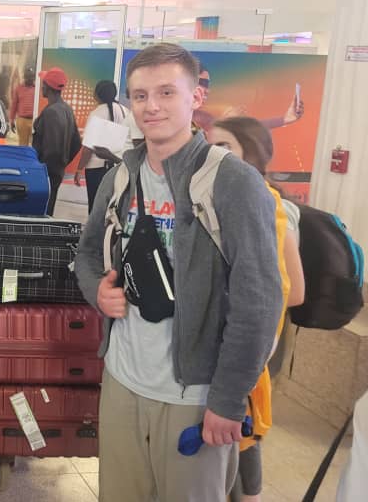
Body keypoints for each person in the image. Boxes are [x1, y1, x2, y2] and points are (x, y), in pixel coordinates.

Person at [73, 43, 283, 502]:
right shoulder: (121, 177)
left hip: (195, 394)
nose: (152, 106)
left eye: (166, 92)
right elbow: (86, 255)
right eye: (140, 95)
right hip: (123, 380)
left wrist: (227, 398)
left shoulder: (233, 182)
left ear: (196, 97)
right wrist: (98, 292)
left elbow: (259, 302)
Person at [208, 116, 305, 502]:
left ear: (251, 154)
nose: (213, 154)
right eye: (209, 145)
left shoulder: (275, 208)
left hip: (255, 343)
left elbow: (294, 292)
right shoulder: (212, 199)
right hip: (219, 341)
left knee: (243, 433)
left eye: (224, 146)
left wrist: (245, 302)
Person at [192, 64, 304, 133]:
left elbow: (247, 128)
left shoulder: (202, 117)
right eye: (203, 83)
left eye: (207, 84)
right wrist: (226, 123)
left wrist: (284, 119)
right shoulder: (187, 119)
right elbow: (201, 147)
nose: (207, 90)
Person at [74, 80, 131, 213]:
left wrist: (79, 169)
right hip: (118, 166)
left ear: (97, 94)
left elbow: (88, 148)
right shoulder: (125, 111)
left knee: (95, 207)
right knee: (112, 207)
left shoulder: (97, 113)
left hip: (97, 168)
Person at [31, 67, 81, 216]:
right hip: (56, 171)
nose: (42, 87)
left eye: (43, 84)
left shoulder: (51, 112)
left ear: (47, 87)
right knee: (49, 209)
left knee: (42, 213)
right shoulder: (66, 109)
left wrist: (42, 168)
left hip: (46, 173)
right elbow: (76, 143)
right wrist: (63, 162)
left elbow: (52, 149)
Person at [9, 67, 37, 146]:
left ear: (34, 77)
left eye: (31, 77)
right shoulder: (19, 88)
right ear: (24, 77)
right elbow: (14, 105)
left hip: (35, 121)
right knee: (23, 145)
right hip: (22, 121)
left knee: (36, 144)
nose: (30, 79)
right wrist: (11, 120)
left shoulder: (37, 89)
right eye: (28, 77)